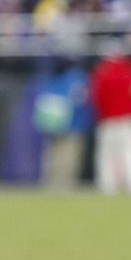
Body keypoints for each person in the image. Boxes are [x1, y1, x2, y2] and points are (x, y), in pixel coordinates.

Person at [90, 48, 131, 193]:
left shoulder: (102, 72)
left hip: (108, 120)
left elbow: (97, 98)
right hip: (129, 119)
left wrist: (101, 115)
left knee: (106, 156)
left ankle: (107, 186)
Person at [33, 57, 91, 190]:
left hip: (68, 124)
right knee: (62, 155)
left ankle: (59, 183)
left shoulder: (60, 78)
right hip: (65, 124)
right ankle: (58, 183)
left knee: (62, 155)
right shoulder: (74, 79)